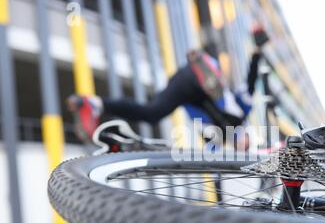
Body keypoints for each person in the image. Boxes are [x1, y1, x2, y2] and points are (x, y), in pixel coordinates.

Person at [67, 27, 270, 148]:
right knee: (222, 99)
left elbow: (208, 150)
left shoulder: (215, 139)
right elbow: (251, 80)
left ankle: (95, 104)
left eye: (243, 148)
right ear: (248, 133)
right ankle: (205, 68)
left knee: (152, 113)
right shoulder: (243, 110)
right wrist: (258, 49)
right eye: (247, 143)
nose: (243, 146)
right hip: (201, 83)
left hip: (182, 87)